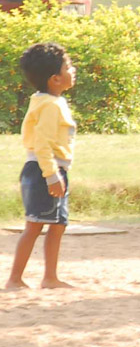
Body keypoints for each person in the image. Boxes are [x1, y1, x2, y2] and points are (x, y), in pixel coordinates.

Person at [6, 43, 76, 291]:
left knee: (58, 225)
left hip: (55, 170)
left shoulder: (51, 100)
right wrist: (51, 175)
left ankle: (50, 277)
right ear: (55, 79)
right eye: (68, 66)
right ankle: (15, 279)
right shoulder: (49, 105)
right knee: (35, 225)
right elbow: (42, 143)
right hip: (44, 171)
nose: (73, 69)